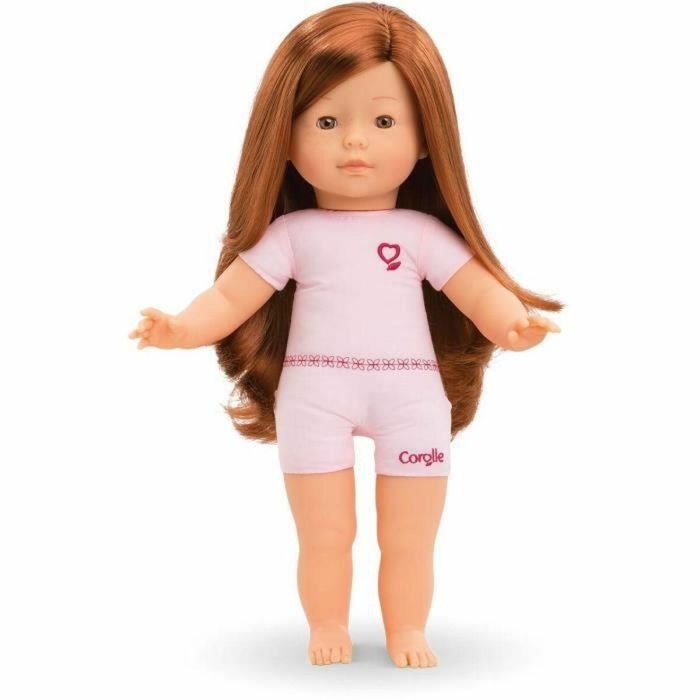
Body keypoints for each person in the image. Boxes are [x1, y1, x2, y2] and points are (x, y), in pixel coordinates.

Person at [128, 2, 562, 669]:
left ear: (425, 138)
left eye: (383, 121)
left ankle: (407, 630)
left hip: (410, 399)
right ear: (286, 136)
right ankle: (327, 623)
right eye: (327, 122)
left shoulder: (420, 235)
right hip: (315, 396)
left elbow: (475, 289)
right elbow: (231, 298)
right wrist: (181, 328)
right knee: (325, 534)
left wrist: (512, 322)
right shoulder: (292, 236)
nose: (355, 143)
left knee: (410, 536)